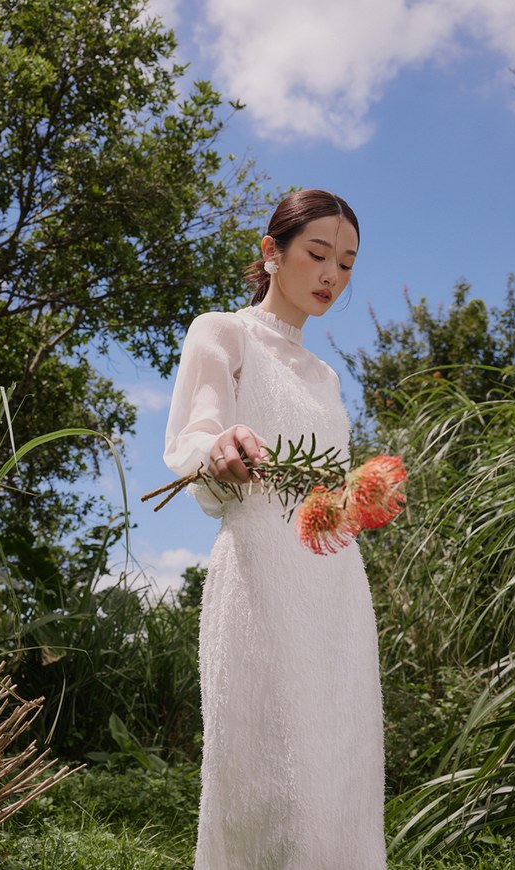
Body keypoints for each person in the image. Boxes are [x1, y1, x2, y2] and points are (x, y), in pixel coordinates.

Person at [164, 189, 386, 869]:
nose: (332, 276)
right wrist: (220, 444)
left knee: (338, 778)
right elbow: (196, 431)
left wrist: (364, 500)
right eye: (319, 254)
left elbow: (327, 499)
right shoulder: (221, 331)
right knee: (266, 781)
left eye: (347, 264)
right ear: (272, 252)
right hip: (259, 576)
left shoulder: (327, 377)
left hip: (335, 589)